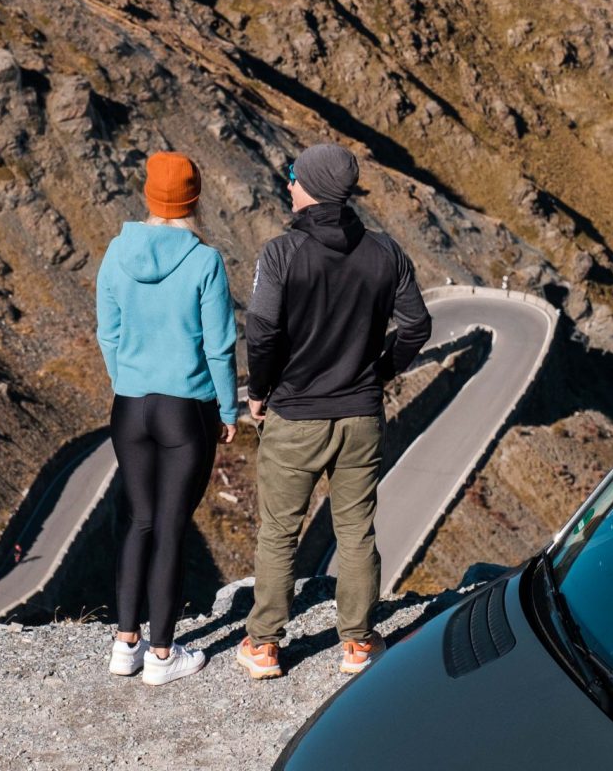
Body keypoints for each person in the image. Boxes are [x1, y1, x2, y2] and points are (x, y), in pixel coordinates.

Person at [237, 143, 432, 679]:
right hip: (361, 413)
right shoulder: (385, 251)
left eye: (293, 177)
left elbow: (263, 329)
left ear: (312, 187)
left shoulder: (281, 253)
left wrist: (260, 391)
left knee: (279, 531)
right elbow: (417, 325)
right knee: (356, 530)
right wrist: (381, 370)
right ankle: (358, 644)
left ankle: (265, 645)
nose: (288, 185)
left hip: (296, 414)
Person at [96, 151, 238, 686]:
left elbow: (107, 332)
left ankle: (124, 644)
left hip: (129, 407)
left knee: (139, 521)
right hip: (185, 409)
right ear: (193, 198)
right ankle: (161, 656)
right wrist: (226, 409)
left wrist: (125, 380)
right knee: (172, 528)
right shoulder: (204, 261)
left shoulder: (116, 251)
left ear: (149, 194)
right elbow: (220, 346)